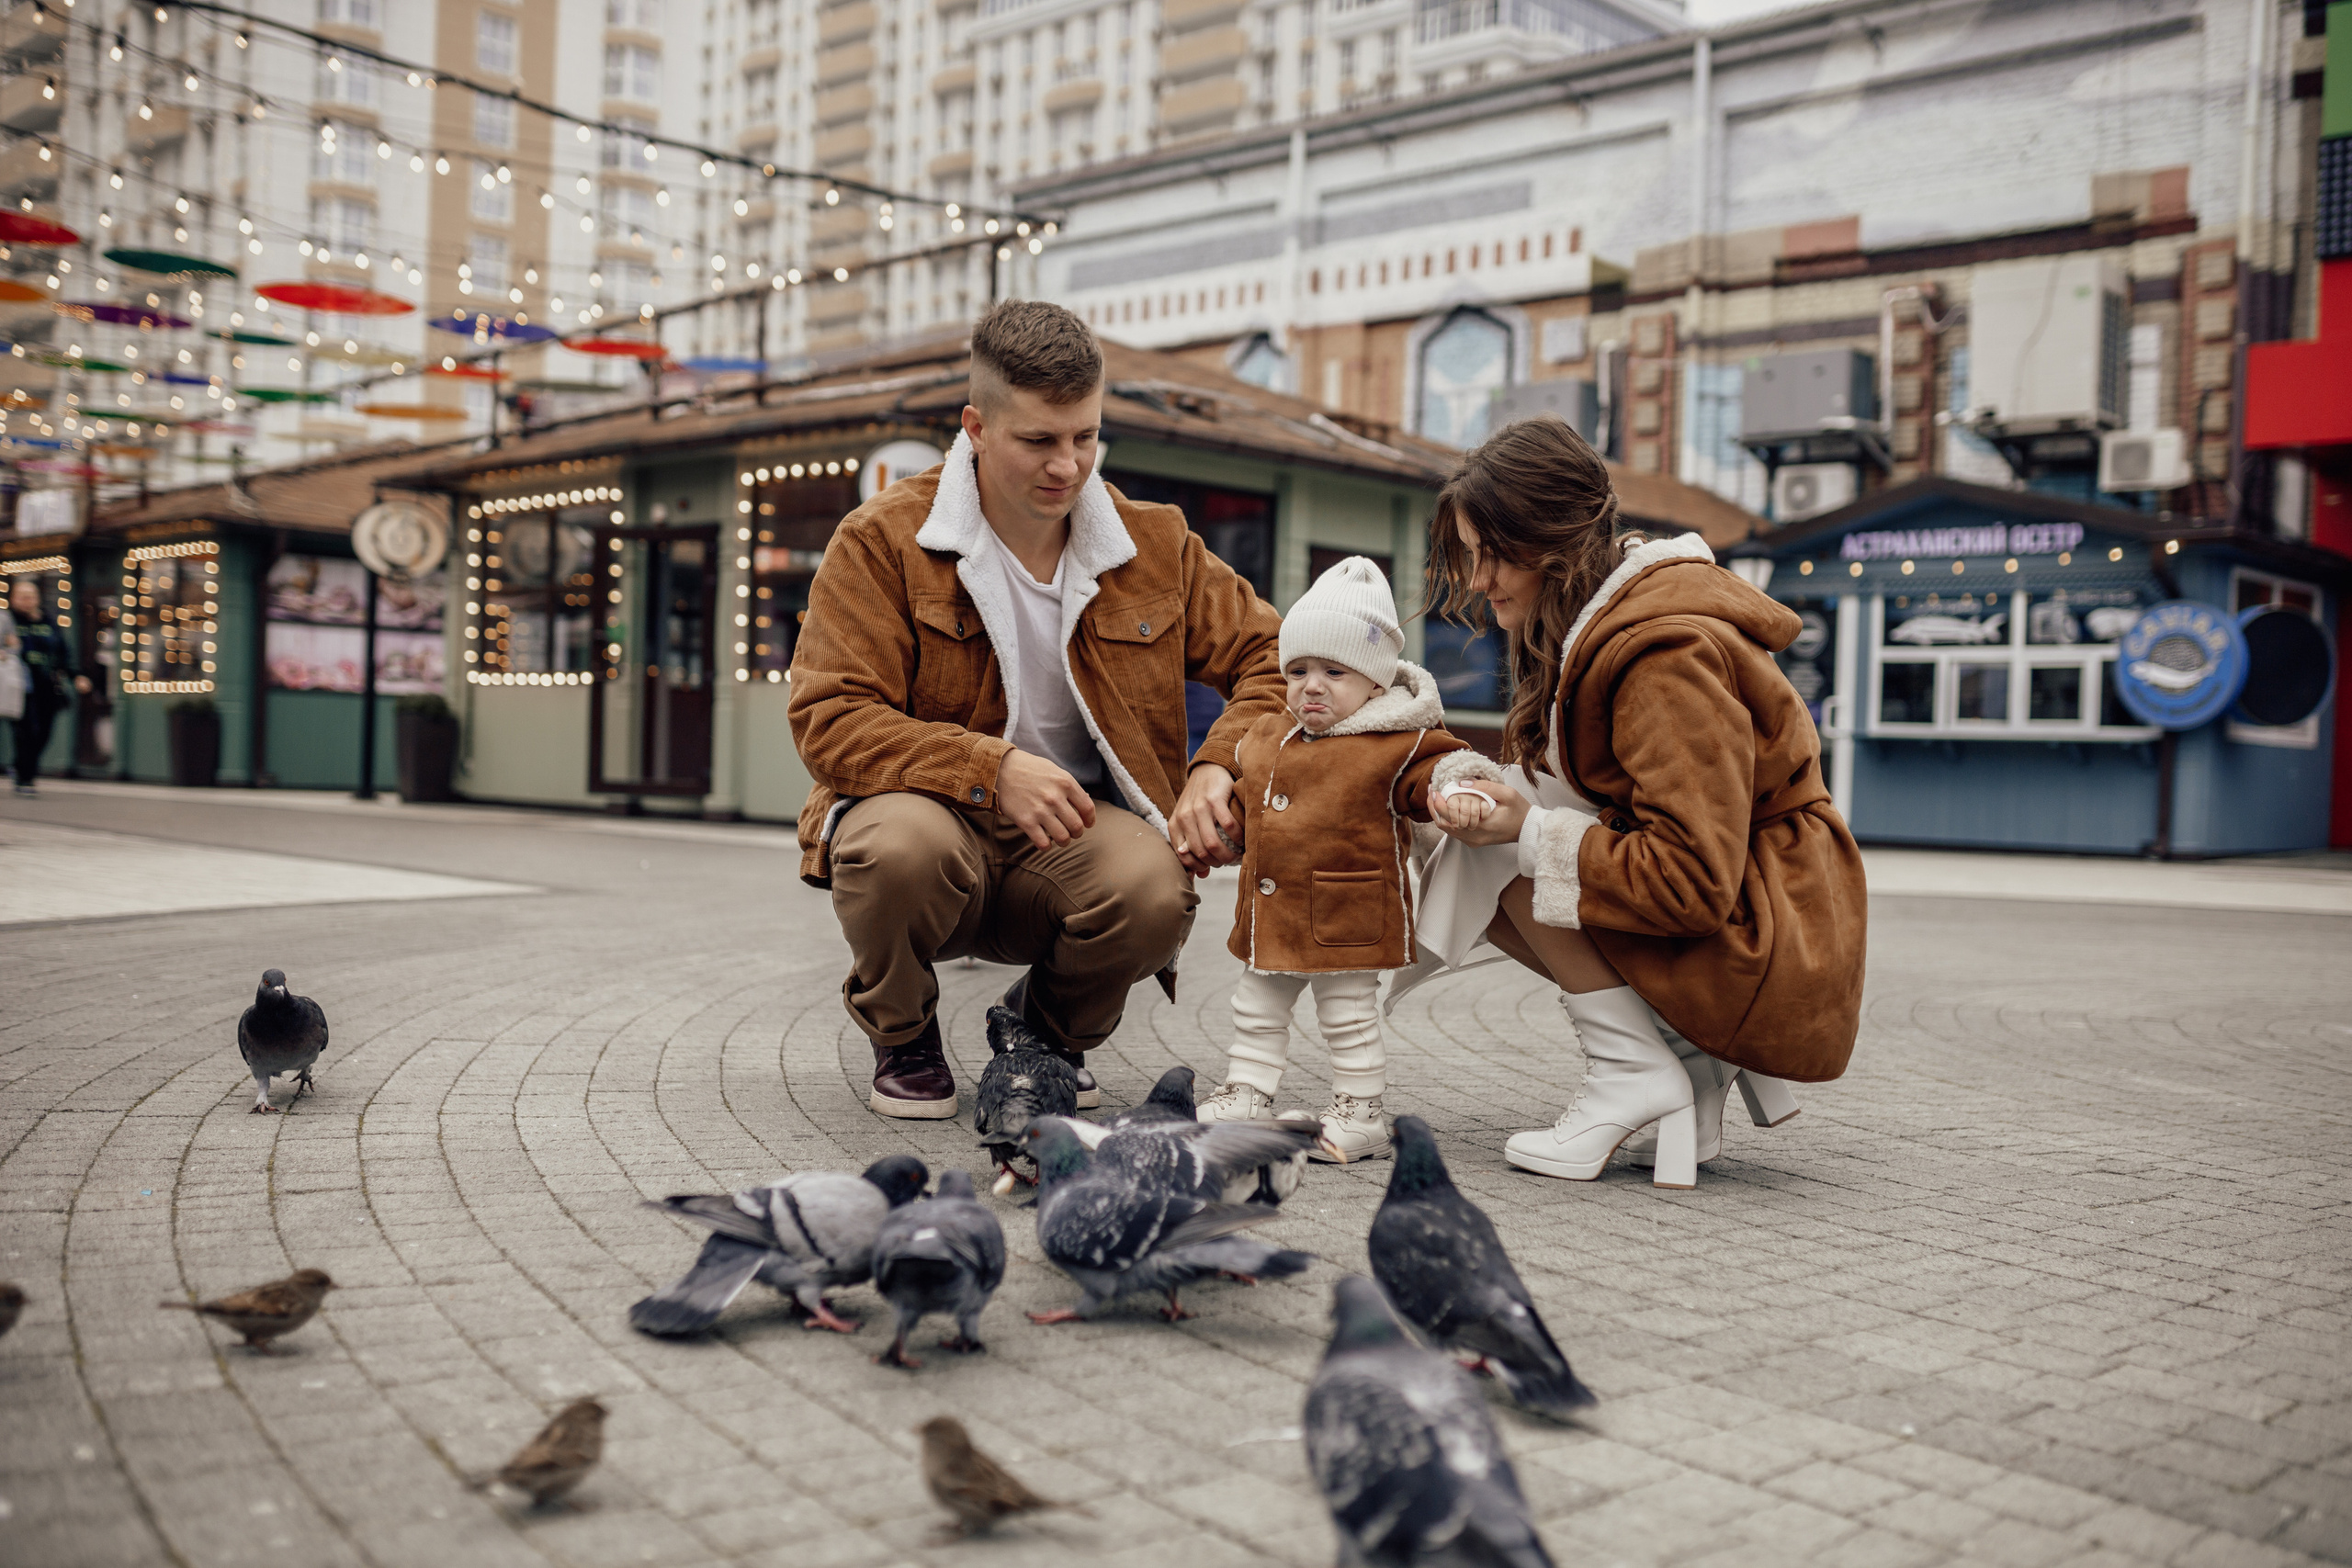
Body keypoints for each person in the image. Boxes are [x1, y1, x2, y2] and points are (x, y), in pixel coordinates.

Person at [787, 300, 1283, 1118]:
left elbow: (1271, 657)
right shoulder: (881, 539)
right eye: (1040, 441)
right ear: (976, 427)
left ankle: (1042, 1035)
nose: (1069, 465)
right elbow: (829, 716)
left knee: (1157, 886)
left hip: (1071, 839)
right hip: (936, 826)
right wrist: (992, 768)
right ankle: (904, 1033)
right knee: (896, 847)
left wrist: (1217, 765)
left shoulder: (1153, 541)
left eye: (1086, 437)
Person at [1413, 416, 1867, 1190]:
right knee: (1483, 815)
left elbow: (1691, 879)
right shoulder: (1604, 627)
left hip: (1767, 939)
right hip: (1762, 911)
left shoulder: (1662, 656)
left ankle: (1633, 1067)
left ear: (1553, 541)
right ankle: (1680, 1058)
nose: (1478, 580)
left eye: (1491, 555)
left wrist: (1527, 830)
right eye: (1469, 556)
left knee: (1492, 842)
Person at [1194, 556, 1501, 1161]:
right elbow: (1245, 796)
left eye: (1335, 671)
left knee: (1348, 1016)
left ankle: (1360, 1112)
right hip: (1272, 913)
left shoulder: (1394, 741)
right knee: (1255, 1007)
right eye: (1299, 669)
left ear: (1376, 685)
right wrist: (1225, 831)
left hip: (1348, 915)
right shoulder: (1267, 734)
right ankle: (1248, 1090)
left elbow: (1439, 767)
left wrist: (1462, 788)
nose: (1312, 685)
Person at [7, 579, 88, 795]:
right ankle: (26, 777)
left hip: (47, 684)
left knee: (44, 731)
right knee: (27, 730)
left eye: (31, 596)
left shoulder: (49, 621)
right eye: (22, 596)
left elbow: (63, 651)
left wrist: (75, 675)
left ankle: (21, 766)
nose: (27, 601)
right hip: (19, 684)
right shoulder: (7, 620)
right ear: (13, 598)